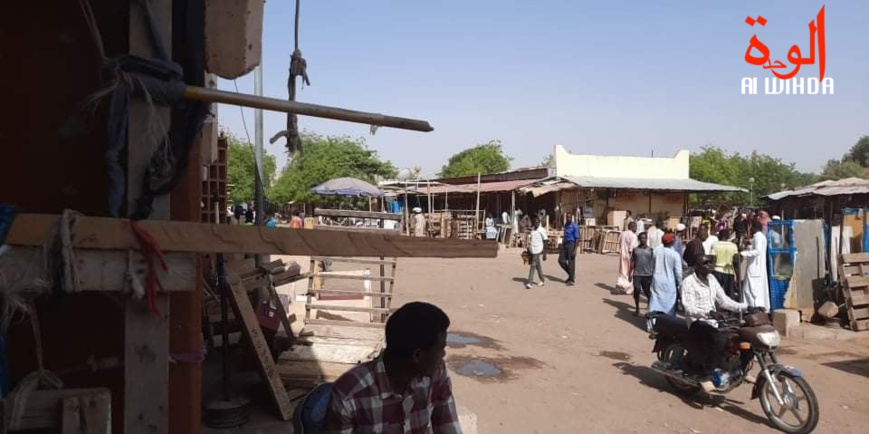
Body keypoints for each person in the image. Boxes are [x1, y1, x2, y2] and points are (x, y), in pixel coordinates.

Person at [324, 302, 461, 433]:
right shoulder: (350, 394)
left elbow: (448, 426)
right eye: (441, 349)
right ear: (417, 356)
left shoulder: (437, 375)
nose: (443, 355)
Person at [680, 255, 748, 392]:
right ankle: (705, 374)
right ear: (696, 267)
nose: (710, 265)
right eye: (705, 263)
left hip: (714, 321)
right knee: (720, 341)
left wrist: (746, 307)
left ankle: (738, 368)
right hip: (697, 322)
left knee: (742, 337)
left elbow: (724, 301)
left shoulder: (711, 279)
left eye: (711, 262)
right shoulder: (688, 282)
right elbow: (689, 308)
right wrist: (709, 313)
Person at [649, 232, 683, 323]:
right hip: (669, 283)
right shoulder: (675, 254)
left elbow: (652, 266)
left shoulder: (656, 251)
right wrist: (680, 284)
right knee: (669, 304)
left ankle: (652, 324)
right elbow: (678, 273)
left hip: (656, 281)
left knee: (655, 302)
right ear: (672, 242)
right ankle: (668, 324)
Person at [740, 220, 770, 310]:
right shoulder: (760, 237)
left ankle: (753, 308)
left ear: (753, 228)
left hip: (755, 267)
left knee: (750, 289)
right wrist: (749, 246)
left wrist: (744, 253)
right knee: (753, 288)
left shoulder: (758, 237)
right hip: (756, 267)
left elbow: (758, 251)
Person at [710, 229, 739, 300]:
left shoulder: (714, 245)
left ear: (719, 236)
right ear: (728, 237)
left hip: (717, 270)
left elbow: (713, 259)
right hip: (729, 271)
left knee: (716, 293)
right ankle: (731, 306)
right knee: (729, 293)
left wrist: (710, 271)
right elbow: (735, 262)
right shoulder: (733, 246)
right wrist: (738, 276)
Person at [630, 232, 654, 316]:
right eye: (641, 238)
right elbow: (632, 261)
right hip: (637, 274)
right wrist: (630, 273)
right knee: (636, 290)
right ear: (639, 239)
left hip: (647, 274)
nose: (643, 239)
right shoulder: (635, 250)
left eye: (644, 238)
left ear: (647, 239)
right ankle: (637, 309)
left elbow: (653, 262)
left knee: (647, 292)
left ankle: (649, 308)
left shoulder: (651, 250)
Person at [615, 221, 638, 294]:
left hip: (622, 255)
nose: (636, 228)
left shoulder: (622, 234)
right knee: (629, 272)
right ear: (632, 227)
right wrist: (633, 260)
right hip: (629, 256)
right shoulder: (633, 236)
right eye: (635, 227)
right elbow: (632, 248)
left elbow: (619, 243)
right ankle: (628, 289)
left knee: (622, 271)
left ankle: (620, 284)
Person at [525, 216, 548, 289]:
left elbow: (546, 241)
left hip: (538, 249)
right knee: (538, 265)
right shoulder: (532, 229)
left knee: (533, 265)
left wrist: (544, 253)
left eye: (538, 222)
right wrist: (528, 248)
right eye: (535, 222)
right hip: (532, 249)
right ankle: (542, 280)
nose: (537, 223)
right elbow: (531, 239)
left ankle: (529, 282)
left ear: (539, 222)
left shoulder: (542, 230)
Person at [559, 214, 579, 286]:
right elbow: (565, 236)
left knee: (571, 263)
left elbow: (577, 239)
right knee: (561, 260)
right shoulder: (566, 225)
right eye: (567, 217)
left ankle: (572, 280)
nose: (568, 218)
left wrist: (575, 250)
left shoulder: (574, 226)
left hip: (571, 244)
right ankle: (571, 275)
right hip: (565, 244)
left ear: (572, 218)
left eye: (570, 217)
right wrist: (562, 245)